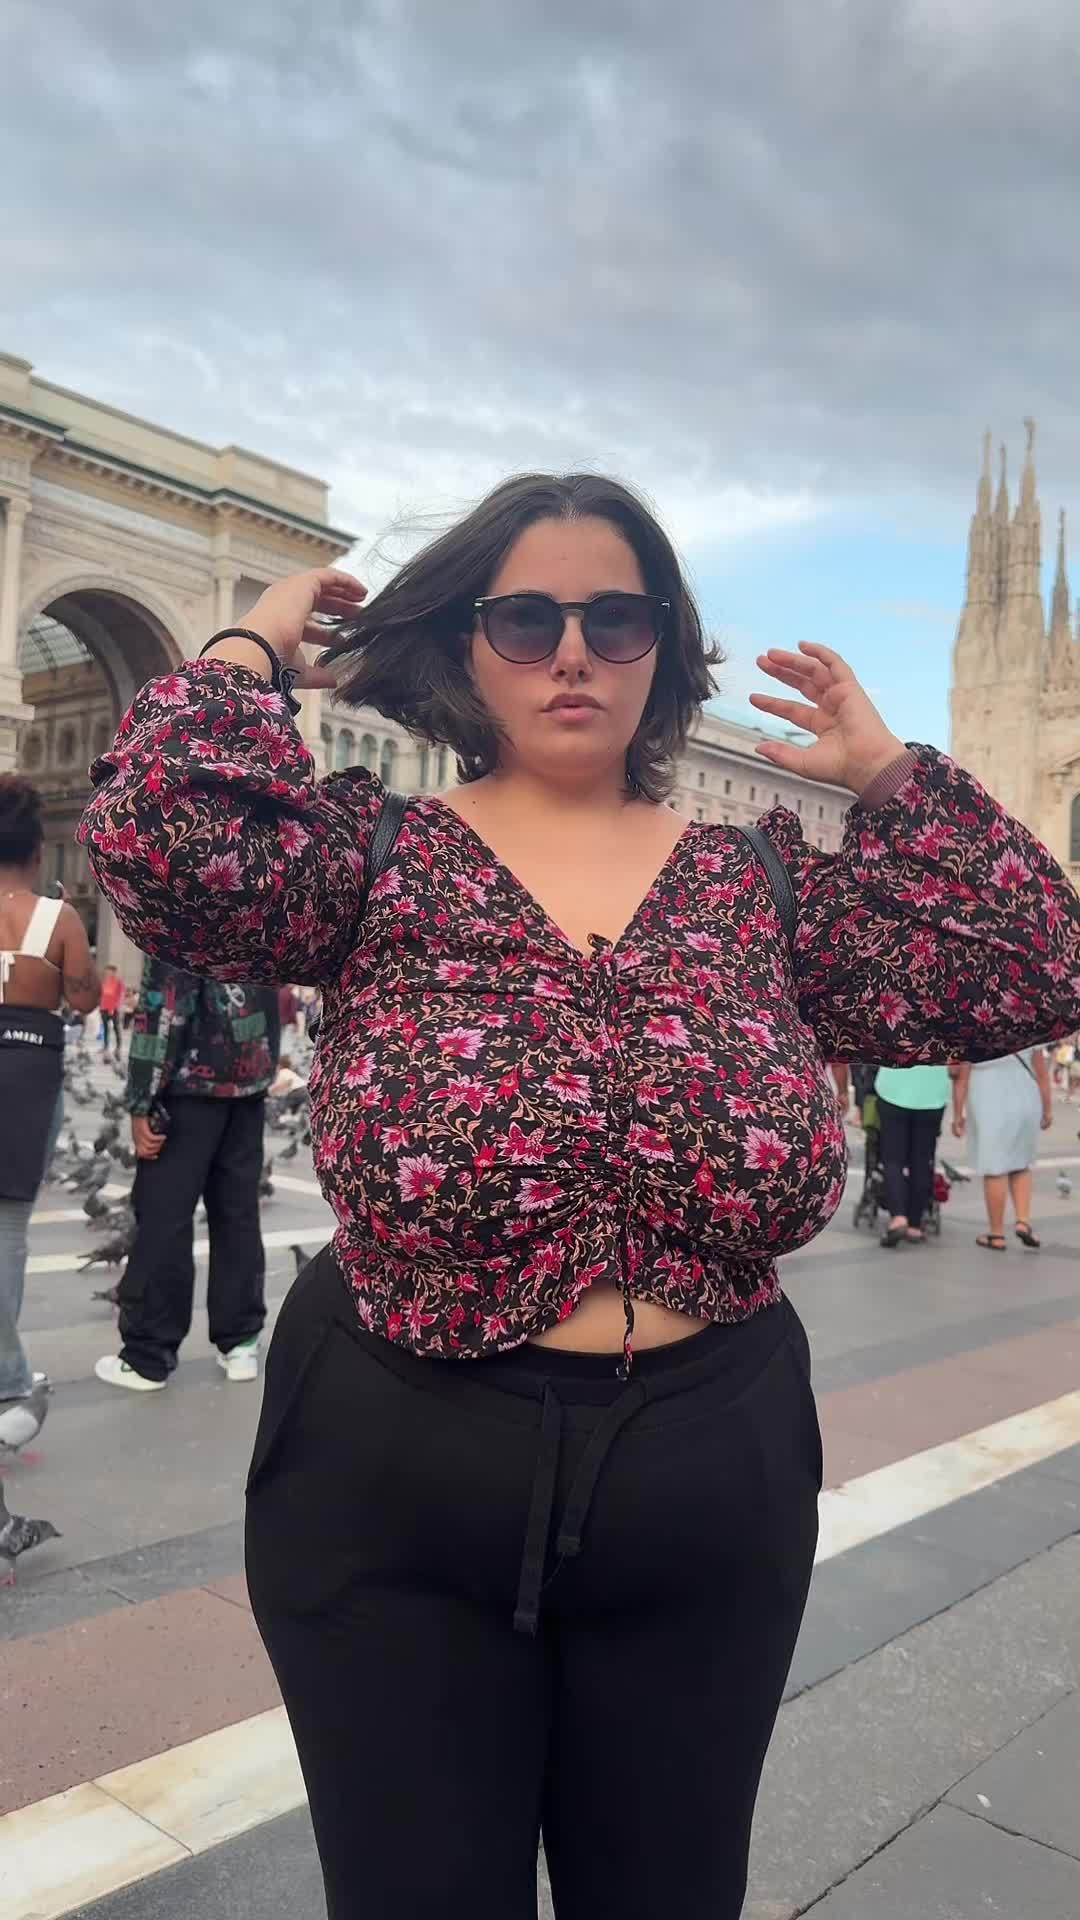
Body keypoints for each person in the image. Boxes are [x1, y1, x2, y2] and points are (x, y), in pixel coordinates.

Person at [79, 475, 1080, 1920]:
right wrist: (246, 651)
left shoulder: (761, 889)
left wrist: (889, 776)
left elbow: (1036, 962)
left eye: (617, 620)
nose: (571, 654)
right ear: (465, 645)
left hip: (707, 1475)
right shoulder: (372, 859)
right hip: (395, 1471)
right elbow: (152, 844)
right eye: (525, 619)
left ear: (664, 649)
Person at [93, 956, 276, 1390]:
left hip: (188, 1089)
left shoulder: (179, 918)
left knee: (165, 1217)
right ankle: (240, 1342)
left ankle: (148, 1355)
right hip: (247, 1088)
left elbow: (163, 1008)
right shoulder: (258, 919)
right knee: (237, 1214)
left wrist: (141, 1100)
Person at [0, 776, 99, 1449]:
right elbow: (85, 1000)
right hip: (27, 1075)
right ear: (39, 852)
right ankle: (8, 1381)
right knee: (8, 1232)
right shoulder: (58, 919)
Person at [951, 1048, 1053, 1251]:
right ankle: (1023, 1221)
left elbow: (961, 1078)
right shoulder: (1029, 1031)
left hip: (988, 1101)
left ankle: (996, 1234)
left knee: (994, 1168)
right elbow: (1042, 1073)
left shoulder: (974, 1033)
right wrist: (1047, 1109)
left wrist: (957, 1115)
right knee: (1022, 1163)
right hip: (1026, 1100)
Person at [873, 1063, 952, 1248]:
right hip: (933, 1092)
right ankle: (915, 1223)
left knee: (893, 1159)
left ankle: (898, 1217)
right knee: (922, 1160)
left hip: (894, 1087)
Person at [98, 962, 125, 1054]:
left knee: (116, 1028)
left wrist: (113, 1008)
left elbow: (120, 997)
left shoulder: (119, 982)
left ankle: (118, 1047)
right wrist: (101, 1007)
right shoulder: (105, 982)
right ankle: (105, 1047)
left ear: (114, 972)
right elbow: (102, 995)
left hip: (114, 1009)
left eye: (109, 971)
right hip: (104, 1008)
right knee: (105, 1028)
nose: (107, 973)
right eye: (107, 972)